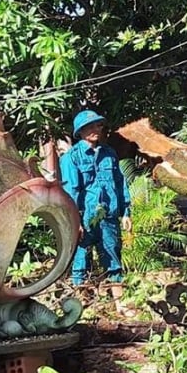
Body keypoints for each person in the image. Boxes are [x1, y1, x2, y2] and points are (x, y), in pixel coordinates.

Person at [60, 110, 132, 305]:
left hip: (108, 217)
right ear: (80, 132)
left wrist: (126, 212)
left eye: (98, 125)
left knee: (112, 258)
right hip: (84, 218)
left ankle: (120, 305)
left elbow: (120, 183)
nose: (95, 130)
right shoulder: (71, 158)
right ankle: (81, 306)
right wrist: (74, 221)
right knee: (81, 261)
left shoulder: (109, 154)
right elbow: (70, 192)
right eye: (89, 127)